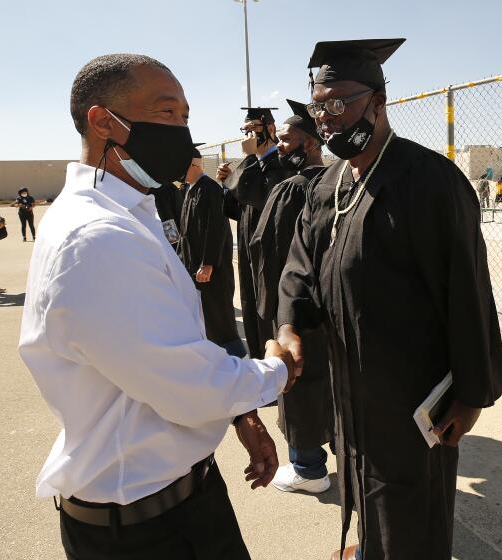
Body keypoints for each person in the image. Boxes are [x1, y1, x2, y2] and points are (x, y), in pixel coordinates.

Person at [18, 53, 300, 560]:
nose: (182, 131)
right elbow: (188, 387)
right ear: (103, 122)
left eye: (186, 116)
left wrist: (239, 415)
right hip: (146, 531)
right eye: (166, 113)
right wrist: (276, 371)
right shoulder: (97, 238)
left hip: (172, 498)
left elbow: (166, 352)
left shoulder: (123, 213)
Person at [277, 38, 502, 560]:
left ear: (378, 101)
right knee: (361, 483)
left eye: (339, 104)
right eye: (319, 107)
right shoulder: (328, 184)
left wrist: (471, 394)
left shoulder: (429, 181)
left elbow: (467, 291)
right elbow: (300, 267)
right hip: (351, 383)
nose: (328, 118)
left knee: (409, 505)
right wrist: (289, 325)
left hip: (412, 392)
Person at [249, 99, 334, 494]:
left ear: (311, 142)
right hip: (335, 312)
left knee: (299, 383)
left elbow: (269, 252)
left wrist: (274, 312)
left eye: (286, 139)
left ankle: (307, 468)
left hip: (297, 313)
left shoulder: (293, 189)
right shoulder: (342, 180)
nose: (279, 146)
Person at [218, 107, 291, 359]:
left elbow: (262, 198)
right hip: (250, 248)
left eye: (253, 129)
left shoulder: (280, 164)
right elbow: (237, 210)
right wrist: (227, 185)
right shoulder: (254, 165)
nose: (248, 136)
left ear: (270, 129)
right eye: (245, 130)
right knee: (249, 305)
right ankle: (259, 362)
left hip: (271, 253)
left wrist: (248, 160)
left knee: (266, 308)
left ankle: (275, 364)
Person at [177, 146, 245, 357]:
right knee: (205, 316)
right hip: (194, 266)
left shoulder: (209, 190)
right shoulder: (191, 189)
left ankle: (235, 360)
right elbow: (186, 232)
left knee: (218, 317)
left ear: (194, 166)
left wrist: (208, 263)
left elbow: (217, 230)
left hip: (211, 269)